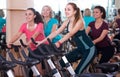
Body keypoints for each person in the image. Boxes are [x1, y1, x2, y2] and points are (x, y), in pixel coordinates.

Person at [37, 2, 96, 74]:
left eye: (69, 9)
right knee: (61, 63)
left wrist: (59, 42)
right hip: (80, 49)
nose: (66, 11)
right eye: (65, 9)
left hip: (89, 49)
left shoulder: (79, 21)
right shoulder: (67, 21)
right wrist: (41, 41)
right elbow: (56, 32)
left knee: (78, 72)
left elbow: (70, 33)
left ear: (75, 11)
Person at [7, 8, 46, 76]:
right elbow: (17, 35)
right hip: (32, 49)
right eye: (26, 14)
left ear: (34, 16)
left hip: (42, 47)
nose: (27, 16)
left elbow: (35, 35)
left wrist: (27, 44)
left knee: (37, 66)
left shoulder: (39, 24)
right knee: (30, 67)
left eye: (30, 14)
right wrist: (10, 42)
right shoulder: (24, 25)